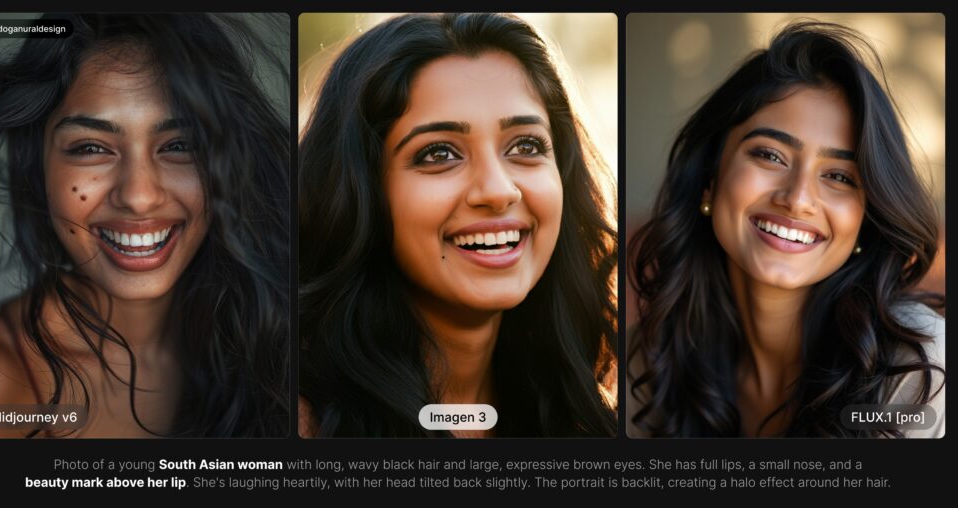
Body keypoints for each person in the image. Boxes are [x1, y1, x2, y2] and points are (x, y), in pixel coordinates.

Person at [0, 13, 291, 437]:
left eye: (180, 145)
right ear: (39, 168)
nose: (139, 196)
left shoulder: (279, 342)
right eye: (90, 148)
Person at [298, 13, 618, 437]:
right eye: (439, 154)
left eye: (525, 145)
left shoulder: (589, 414)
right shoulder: (293, 421)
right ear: (360, 193)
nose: (498, 191)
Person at [626, 21, 944, 438]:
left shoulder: (920, 368)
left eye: (840, 177)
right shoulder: (645, 362)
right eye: (770, 155)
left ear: (867, 218)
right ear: (710, 177)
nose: (797, 199)